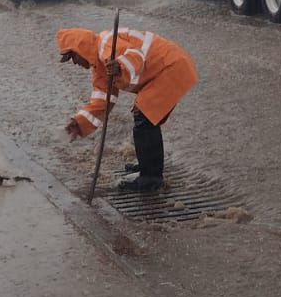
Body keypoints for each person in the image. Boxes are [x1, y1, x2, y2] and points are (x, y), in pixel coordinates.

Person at [58, 26, 198, 192]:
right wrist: (78, 123)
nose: (74, 63)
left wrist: (120, 66)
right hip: (166, 69)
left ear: (80, 48)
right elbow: (102, 101)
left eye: (73, 57)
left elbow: (135, 56)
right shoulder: (99, 67)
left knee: (144, 115)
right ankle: (148, 165)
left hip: (171, 67)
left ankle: (151, 178)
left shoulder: (106, 44)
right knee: (145, 116)